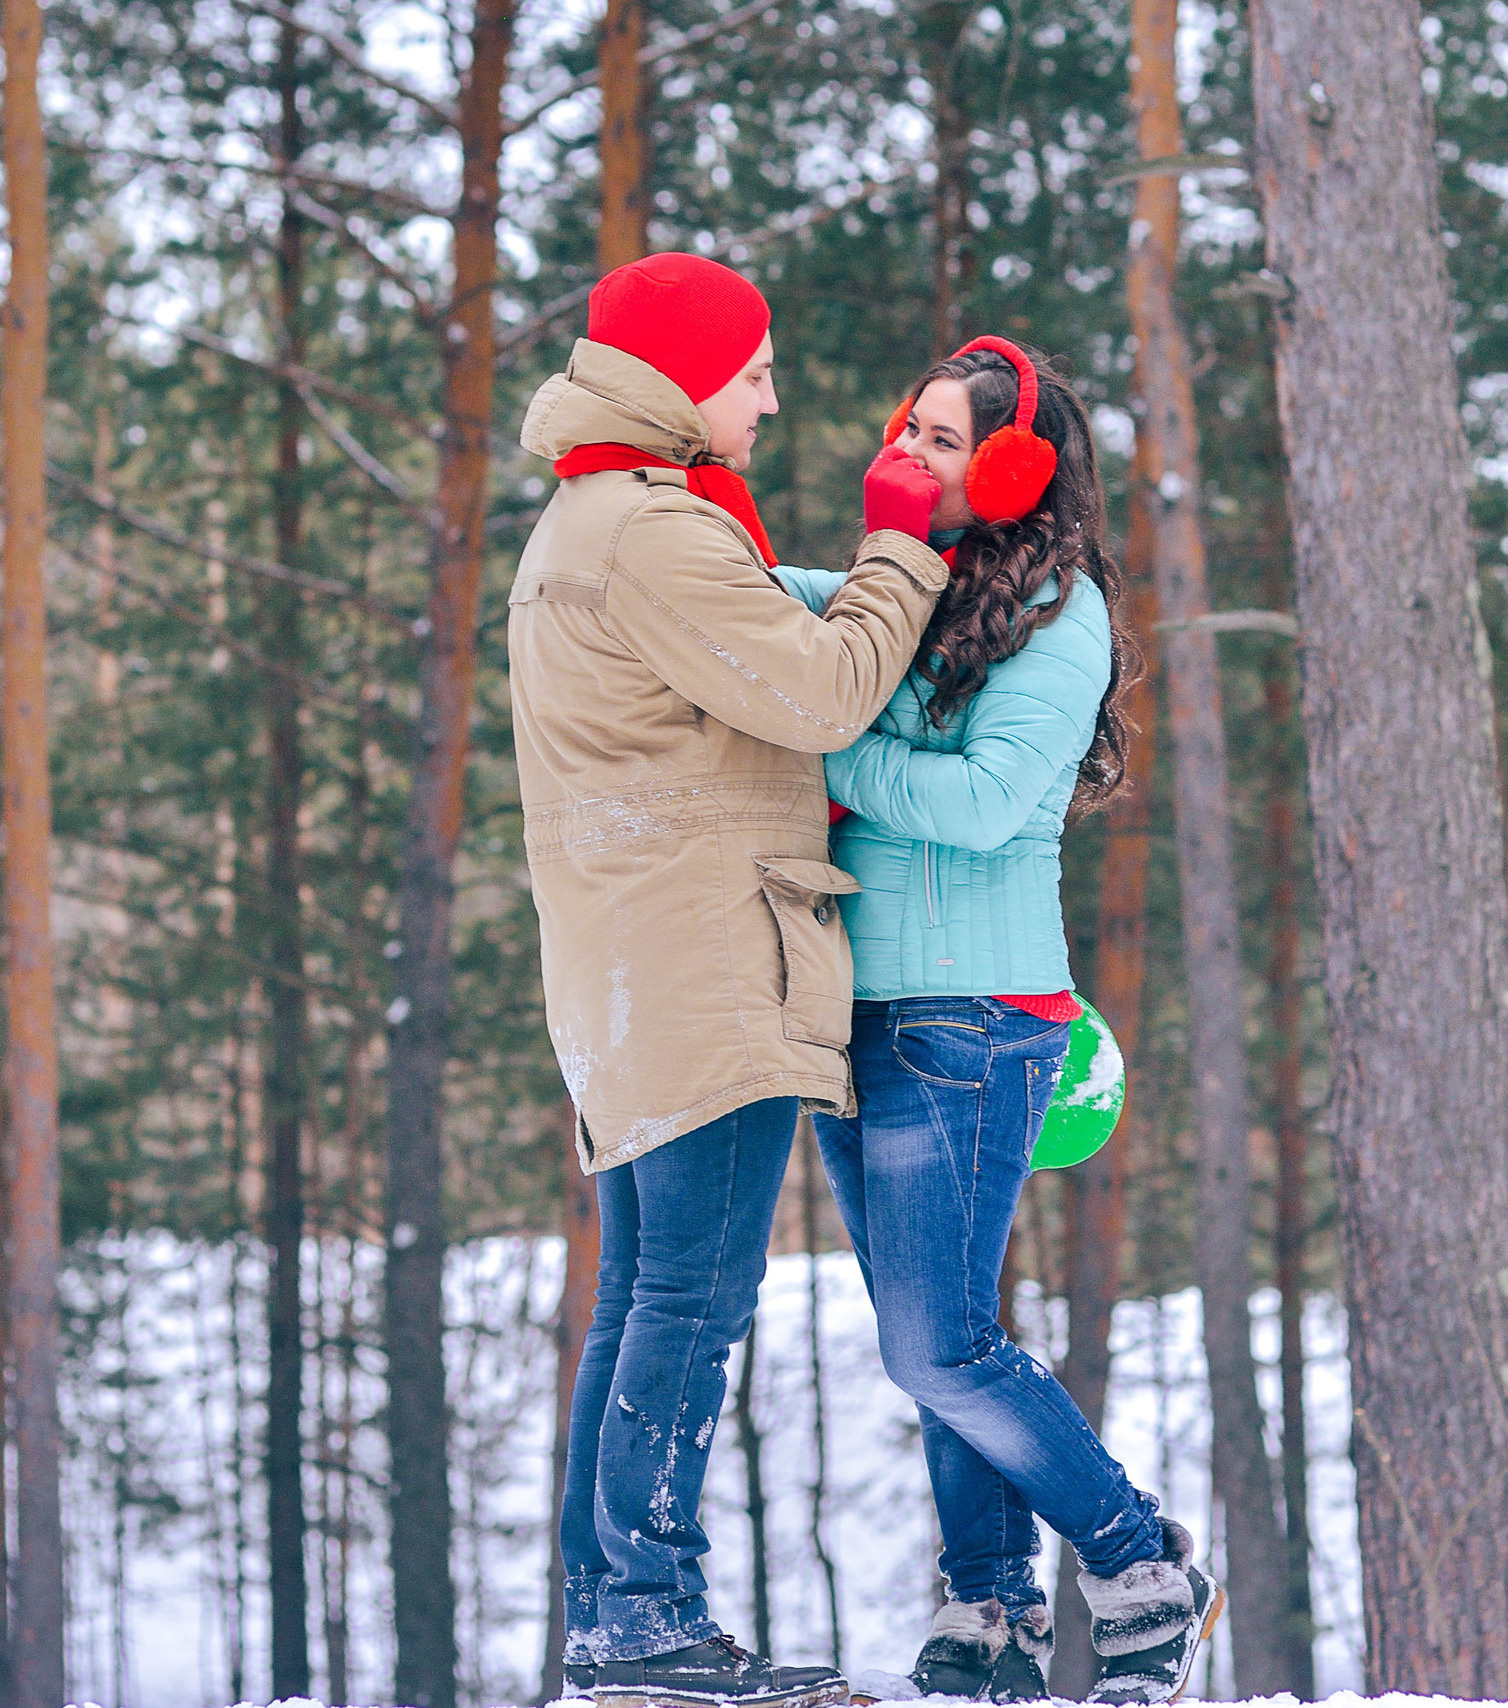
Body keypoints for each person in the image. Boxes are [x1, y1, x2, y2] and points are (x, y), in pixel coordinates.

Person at [510, 252, 950, 1708]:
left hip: (639, 962)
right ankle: (645, 1620)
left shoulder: (589, 518)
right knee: (689, 1297)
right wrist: (905, 546)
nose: (771, 397)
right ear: (684, 378)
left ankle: (617, 1613)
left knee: (646, 1288)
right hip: (699, 961)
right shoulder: (651, 532)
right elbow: (824, 692)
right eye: (753, 371)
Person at [771, 339, 1219, 1707]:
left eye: (944, 442)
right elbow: (773, 604)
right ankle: (991, 1601)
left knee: (939, 1344)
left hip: (974, 1023)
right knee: (940, 1329)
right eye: (904, 430)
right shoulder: (909, 586)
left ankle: (1141, 1565)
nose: (910, 456)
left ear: (1019, 469)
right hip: (869, 1014)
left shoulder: (1060, 617)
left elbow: (970, 806)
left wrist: (813, 725)